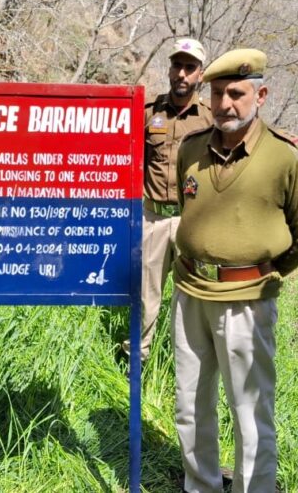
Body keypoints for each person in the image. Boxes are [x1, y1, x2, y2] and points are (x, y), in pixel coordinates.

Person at [173, 48, 298, 492]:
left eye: (236, 93)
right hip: (190, 291)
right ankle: (199, 484)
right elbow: (187, 207)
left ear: (260, 94)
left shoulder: (289, 156)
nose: (225, 104)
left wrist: (264, 272)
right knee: (189, 403)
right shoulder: (192, 148)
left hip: (247, 299)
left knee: (250, 408)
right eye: (218, 93)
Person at [123, 37, 212, 362]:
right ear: (170, 68)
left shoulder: (209, 119)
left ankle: (189, 364)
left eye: (190, 68)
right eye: (178, 66)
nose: (182, 74)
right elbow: (131, 161)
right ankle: (136, 360)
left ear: (200, 74)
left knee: (193, 298)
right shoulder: (148, 112)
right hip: (153, 218)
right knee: (146, 297)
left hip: (192, 221)